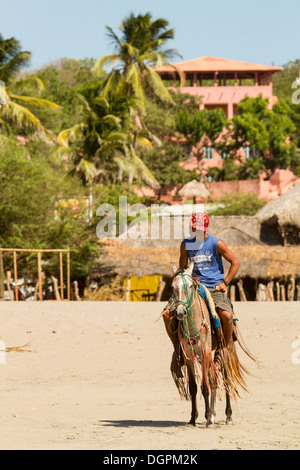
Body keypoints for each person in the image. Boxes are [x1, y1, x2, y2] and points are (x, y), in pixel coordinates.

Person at [179, 212, 240, 350]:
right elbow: (182, 269)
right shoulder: (186, 244)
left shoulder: (216, 243)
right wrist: (190, 278)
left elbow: (235, 262)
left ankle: (224, 347)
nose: (196, 231)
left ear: (205, 228)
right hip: (193, 287)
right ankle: (179, 349)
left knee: (227, 316)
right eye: (194, 228)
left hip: (214, 288)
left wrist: (225, 282)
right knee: (171, 314)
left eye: (199, 228)